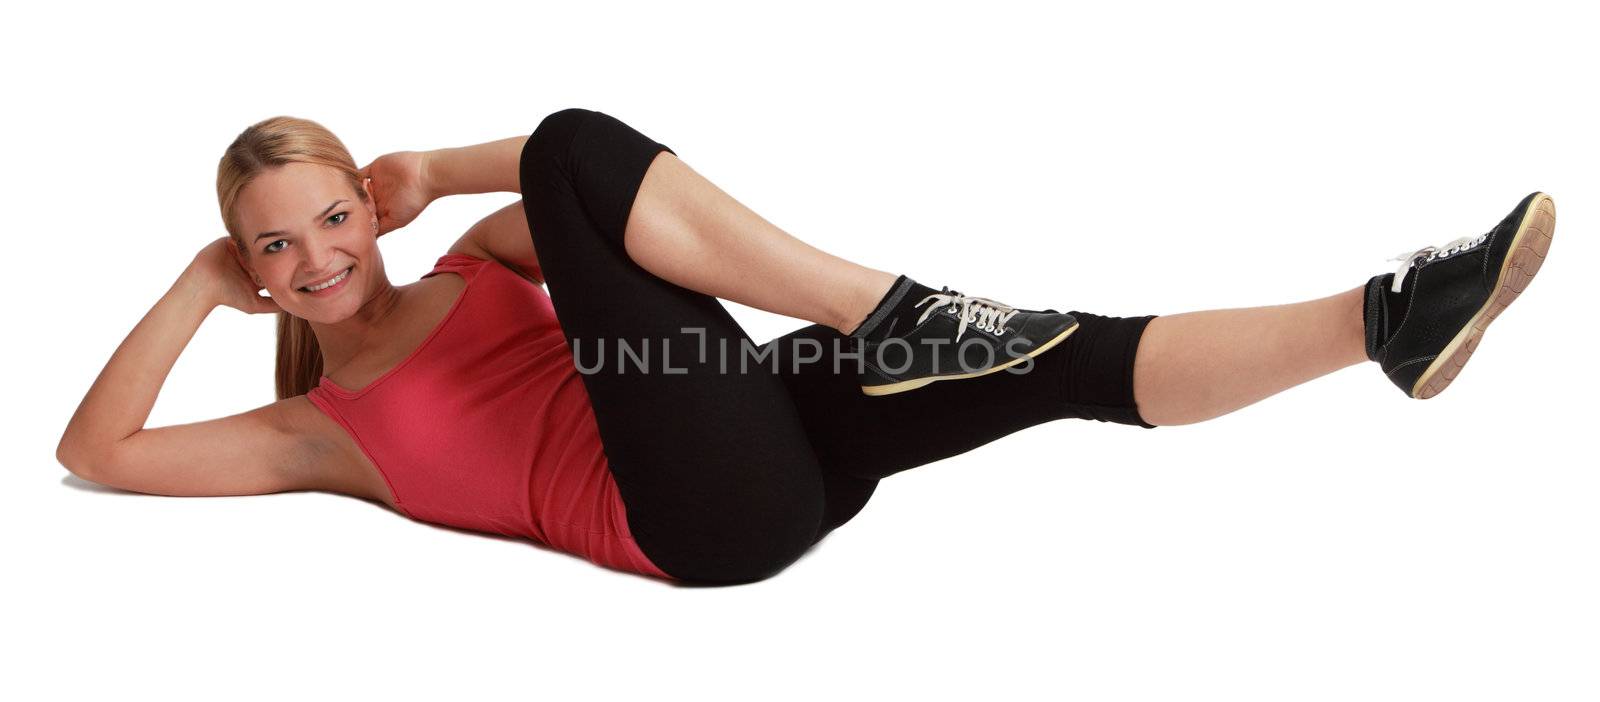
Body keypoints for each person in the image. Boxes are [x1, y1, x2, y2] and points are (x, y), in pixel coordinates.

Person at [54, 108, 1557, 585]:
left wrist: (442, 174)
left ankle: (1388, 322)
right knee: (575, 142)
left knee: (1061, 356)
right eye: (276, 244)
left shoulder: (475, 258)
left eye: (331, 217)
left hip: (760, 427)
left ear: (361, 214)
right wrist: (194, 285)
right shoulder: (323, 434)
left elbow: (590, 216)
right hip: (692, 516)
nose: (317, 257)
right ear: (255, 270)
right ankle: (885, 306)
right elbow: (95, 454)